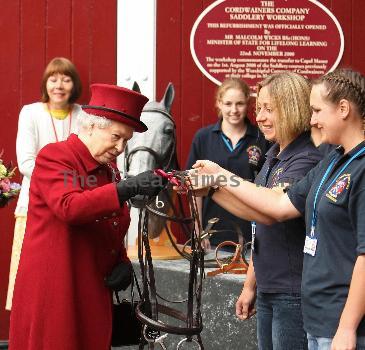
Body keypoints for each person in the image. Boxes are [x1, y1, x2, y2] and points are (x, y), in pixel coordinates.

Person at [191, 68, 365, 350]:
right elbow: (271, 209)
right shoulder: (329, 161)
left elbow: (273, 209)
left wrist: (219, 176)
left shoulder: (328, 160)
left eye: (317, 110)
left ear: (343, 108)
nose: (313, 120)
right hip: (309, 307)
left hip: (316, 303)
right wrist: (212, 187)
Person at [9, 83, 166, 350]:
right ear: (91, 126)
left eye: (126, 141)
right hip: (57, 288)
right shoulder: (55, 156)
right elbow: (69, 207)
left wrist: (121, 261)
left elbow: (112, 223)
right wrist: (126, 188)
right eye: (116, 136)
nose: (120, 147)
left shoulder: (108, 170)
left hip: (91, 286)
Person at [6, 57, 83, 310]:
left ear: (74, 84)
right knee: (30, 279)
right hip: (34, 206)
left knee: (66, 283)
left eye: (66, 78)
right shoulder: (31, 113)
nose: (59, 85)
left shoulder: (83, 115)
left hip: (75, 205)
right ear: (45, 83)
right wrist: (66, 177)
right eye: (53, 78)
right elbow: (26, 162)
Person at [185, 78, 268, 249]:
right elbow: (194, 188)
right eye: (228, 103)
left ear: (249, 104)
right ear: (219, 104)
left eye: (240, 103)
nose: (234, 110)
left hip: (252, 234)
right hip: (213, 234)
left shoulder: (262, 138)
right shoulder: (203, 138)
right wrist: (198, 229)